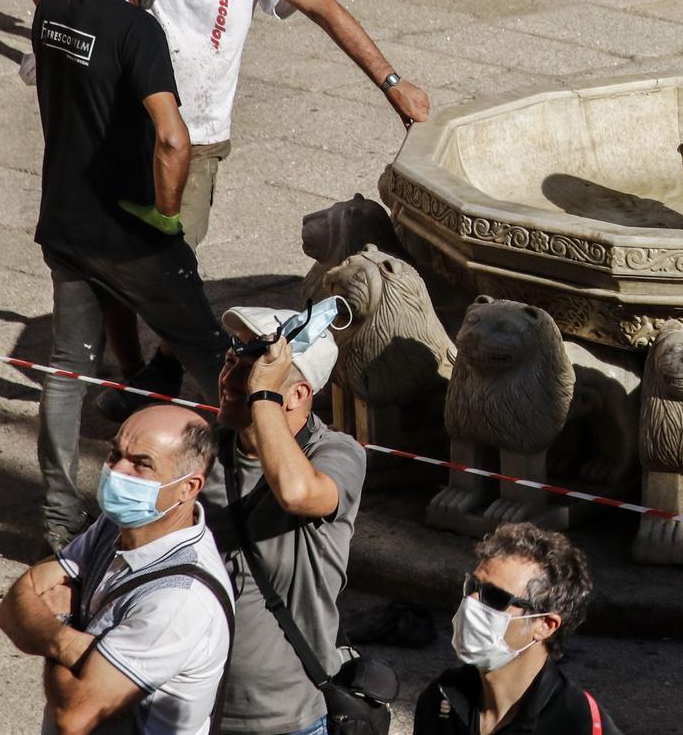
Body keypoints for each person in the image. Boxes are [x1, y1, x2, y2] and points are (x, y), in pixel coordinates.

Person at [18, 0, 432, 418]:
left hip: (197, 134)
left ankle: (167, 365)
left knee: (175, 258)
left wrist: (391, 82)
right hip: (116, 132)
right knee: (108, 265)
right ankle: (135, 373)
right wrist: (68, 31)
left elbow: (326, 9)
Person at [29, 0, 232, 554]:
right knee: (218, 365)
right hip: (126, 230)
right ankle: (242, 500)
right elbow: (172, 138)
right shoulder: (136, 32)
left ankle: (58, 516)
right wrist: (165, 218)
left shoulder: (53, 11)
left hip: (63, 218)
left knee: (68, 370)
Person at [0, 404, 234, 735]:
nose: (118, 470)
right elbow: (11, 606)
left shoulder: (179, 600)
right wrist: (73, 650)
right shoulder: (116, 523)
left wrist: (60, 626)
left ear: (188, 487)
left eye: (142, 464)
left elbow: (73, 715)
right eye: (115, 453)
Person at [208, 306, 369, 735]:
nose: (229, 381)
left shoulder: (335, 454)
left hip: (282, 720)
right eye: (230, 362)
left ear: (296, 394)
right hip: (189, 707)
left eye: (251, 371)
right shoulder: (203, 449)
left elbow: (298, 494)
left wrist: (263, 396)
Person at [414, 524, 624, 734]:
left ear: (545, 625)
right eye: (472, 586)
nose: (472, 601)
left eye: (495, 597)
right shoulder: (441, 699)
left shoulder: (580, 726)